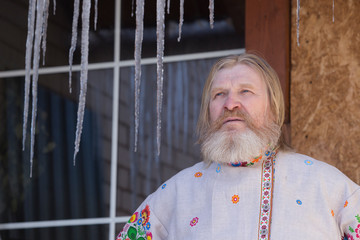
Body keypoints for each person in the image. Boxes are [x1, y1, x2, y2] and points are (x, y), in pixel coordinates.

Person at [116, 53, 360, 239]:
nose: (230, 104)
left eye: (245, 91)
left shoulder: (326, 185)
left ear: (273, 108)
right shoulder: (175, 194)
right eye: (219, 94)